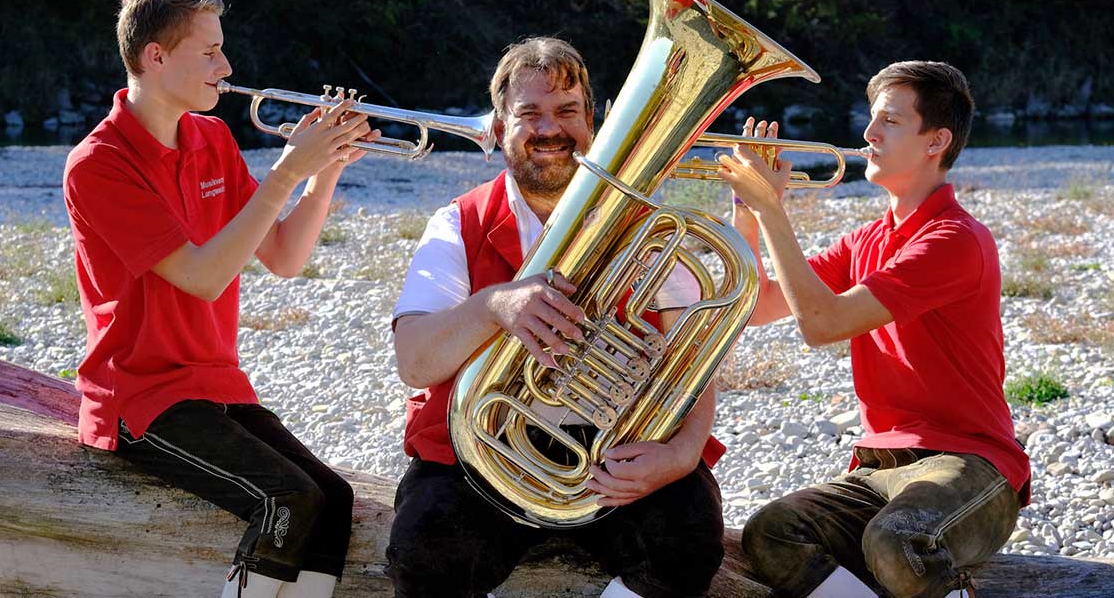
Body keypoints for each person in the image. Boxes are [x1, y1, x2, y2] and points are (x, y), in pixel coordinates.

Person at [63, 0, 379, 598]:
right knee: (286, 499)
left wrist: (326, 170)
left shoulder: (211, 138)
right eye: (209, 52)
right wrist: (289, 169)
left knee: (334, 498)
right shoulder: (98, 163)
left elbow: (284, 258)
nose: (227, 67)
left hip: (213, 381)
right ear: (156, 58)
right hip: (140, 393)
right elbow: (204, 277)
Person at [385, 37, 727, 598]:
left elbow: (695, 360)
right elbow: (415, 361)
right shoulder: (457, 223)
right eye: (530, 114)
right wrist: (495, 305)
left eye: (567, 111)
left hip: (615, 451)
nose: (551, 129)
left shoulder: (645, 228)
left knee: (686, 541)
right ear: (499, 129)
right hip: (480, 451)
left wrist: (683, 452)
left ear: (593, 122)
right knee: (427, 552)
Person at [717, 61, 1030, 598]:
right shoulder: (865, 240)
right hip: (877, 469)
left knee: (898, 543)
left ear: (936, 141)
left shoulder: (956, 239)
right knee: (770, 535)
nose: (867, 134)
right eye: (872, 118)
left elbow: (822, 325)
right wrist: (748, 209)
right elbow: (759, 303)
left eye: (889, 121)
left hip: (971, 466)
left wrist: (775, 212)